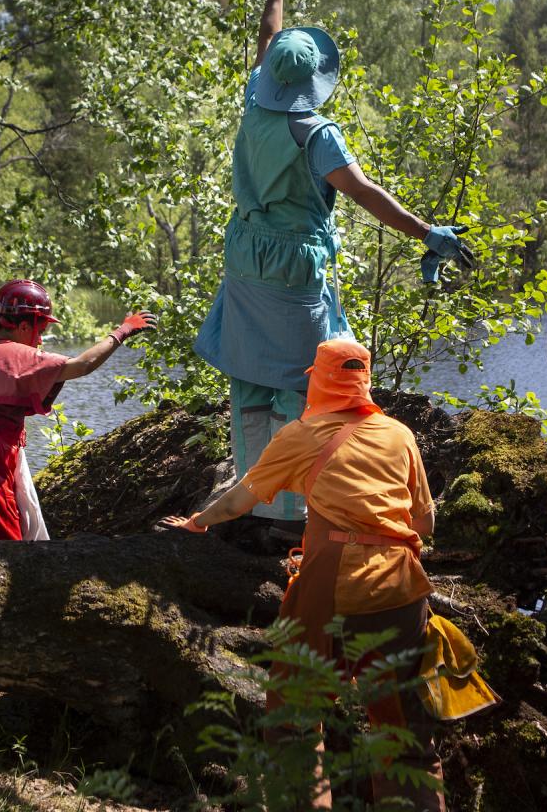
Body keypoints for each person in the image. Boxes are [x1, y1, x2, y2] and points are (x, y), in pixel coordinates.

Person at [193, 0, 474, 527]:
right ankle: (296, 516)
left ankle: (252, 504)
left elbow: (268, 37)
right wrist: (427, 234)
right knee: (307, 387)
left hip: (247, 256)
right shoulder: (315, 132)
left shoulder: (255, 101)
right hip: (294, 268)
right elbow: (366, 194)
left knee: (248, 382)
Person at [163, 338, 445, 811]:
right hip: (401, 585)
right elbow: (425, 524)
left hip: (334, 581)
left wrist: (198, 521)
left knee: (294, 715)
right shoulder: (399, 434)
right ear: (363, 381)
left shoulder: (301, 435)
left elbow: (238, 500)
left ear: (319, 380)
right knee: (403, 725)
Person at [0, 279, 153, 540]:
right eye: (40, 330)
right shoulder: (17, 355)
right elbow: (83, 365)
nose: (40, 340)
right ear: (23, 325)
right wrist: (122, 331)